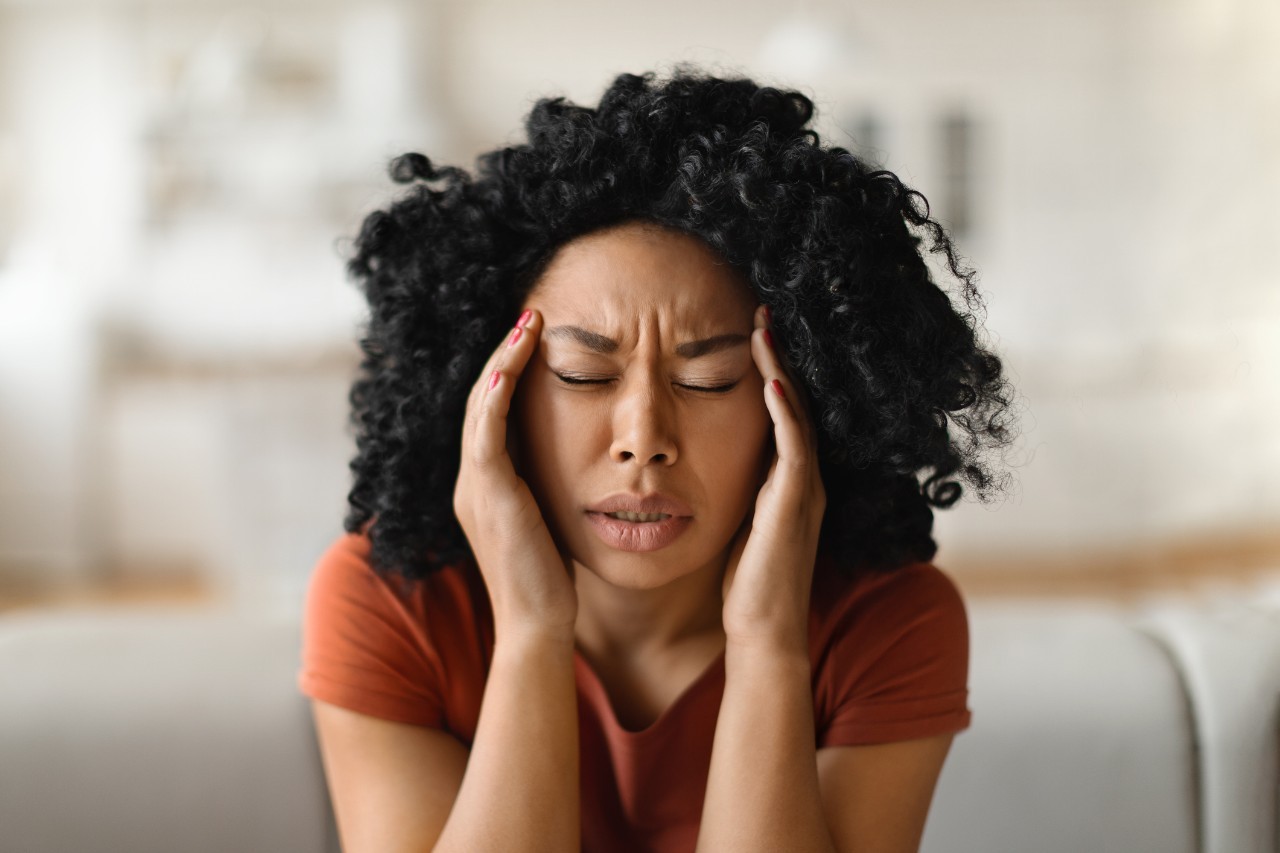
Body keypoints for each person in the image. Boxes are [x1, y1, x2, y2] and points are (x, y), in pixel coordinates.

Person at [297, 67, 1017, 853]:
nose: (643, 436)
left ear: (803, 399)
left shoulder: (884, 621)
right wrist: (533, 631)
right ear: (492, 393)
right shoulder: (389, 602)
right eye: (582, 375)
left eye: (708, 379)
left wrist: (769, 645)